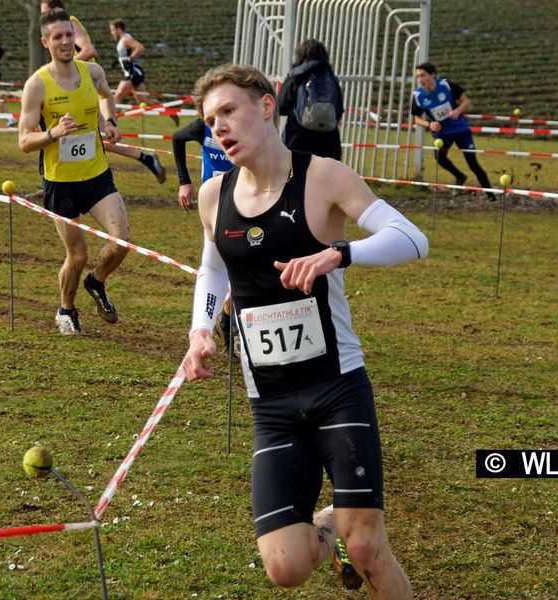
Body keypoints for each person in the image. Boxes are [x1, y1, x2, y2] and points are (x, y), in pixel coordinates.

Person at [181, 63, 428, 598]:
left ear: (266, 107)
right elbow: (214, 267)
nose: (218, 127)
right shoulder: (213, 194)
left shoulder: (323, 176)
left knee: (367, 550)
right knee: (285, 567)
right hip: (270, 400)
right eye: (209, 119)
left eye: (229, 111)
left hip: (337, 385)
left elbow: (411, 237)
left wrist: (338, 254)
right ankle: (331, 522)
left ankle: (353, 532)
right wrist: (201, 331)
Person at [19, 7, 131, 335]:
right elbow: (24, 141)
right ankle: (66, 309)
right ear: (46, 41)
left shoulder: (92, 72)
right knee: (77, 254)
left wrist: (109, 123)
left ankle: (96, 283)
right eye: (58, 37)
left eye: (69, 34)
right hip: (60, 183)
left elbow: (107, 97)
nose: (66, 41)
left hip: (97, 176)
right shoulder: (36, 85)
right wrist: (52, 133)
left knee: (122, 241)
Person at [39, 1, 166, 184]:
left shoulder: (70, 23)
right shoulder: (63, 27)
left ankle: (58, 182)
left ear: (56, 10)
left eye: (45, 12)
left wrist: (64, 65)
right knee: (90, 137)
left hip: (84, 84)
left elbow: (89, 50)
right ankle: (145, 158)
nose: (42, 18)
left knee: (86, 136)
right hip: (77, 85)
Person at [172, 117, 237, 355]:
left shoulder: (246, 126)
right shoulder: (202, 126)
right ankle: (229, 327)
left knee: (237, 265)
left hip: (244, 203)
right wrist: (184, 182)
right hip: (213, 207)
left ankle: (229, 324)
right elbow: (178, 138)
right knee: (222, 266)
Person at [411, 61, 496, 201]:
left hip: (460, 129)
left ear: (432, 75)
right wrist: (429, 124)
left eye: (423, 75)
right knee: (440, 158)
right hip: (443, 133)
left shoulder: (446, 85)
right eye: (418, 76)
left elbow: (466, 102)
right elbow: (417, 119)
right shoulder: (418, 96)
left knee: (473, 164)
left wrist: (457, 111)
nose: (420, 79)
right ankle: (460, 176)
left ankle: (491, 196)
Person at [277, 39, 344, 160]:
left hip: (297, 139)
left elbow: (280, 106)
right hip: (329, 142)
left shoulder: (296, 76)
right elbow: (339, 110)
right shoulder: (331, 77)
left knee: (295, 176)